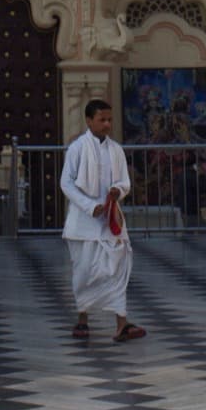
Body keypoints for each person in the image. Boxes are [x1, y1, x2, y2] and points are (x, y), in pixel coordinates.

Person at [60, 98, 146, 343]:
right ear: (89, 121)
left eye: (109, 120)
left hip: (111, 222)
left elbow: (124, 181)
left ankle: (122, 324)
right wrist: (90, 206)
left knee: (117, 269)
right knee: (85, 272)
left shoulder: (115, 149)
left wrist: (117, 191)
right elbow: (66, 183)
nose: (107, 124)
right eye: (102, 120)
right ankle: (83, 320)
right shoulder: (77, 148)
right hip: (84, 225)